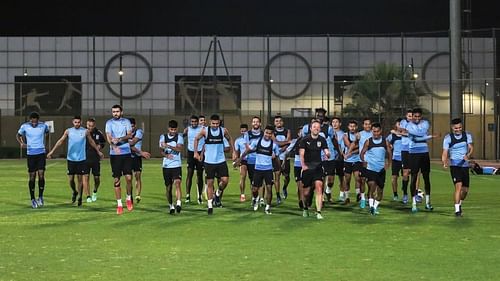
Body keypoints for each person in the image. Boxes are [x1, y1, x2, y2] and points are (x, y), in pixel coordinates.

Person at [47, 116, 103, 205]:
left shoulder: (85, 131)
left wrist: (98, 152)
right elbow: (60, 141)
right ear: (73, 122)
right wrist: (52, 151)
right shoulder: (68, 131)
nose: (77, 124)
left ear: (81, 122)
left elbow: (92, 142)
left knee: (80, 179)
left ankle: (80, 197)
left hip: (81, 159)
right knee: (71, 180)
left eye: (78, 122)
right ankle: (74, 191)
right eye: (75, 122)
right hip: (71, 159)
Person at [193, 114, 232, 215]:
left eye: (217, 123)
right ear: (210, 123)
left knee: (225, 180)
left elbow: (229, 138)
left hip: (221, 161)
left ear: (219, 123)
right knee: (210, 183)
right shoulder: (205, 131)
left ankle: (218, 193)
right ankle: (210, 205)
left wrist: (234, 151)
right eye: (213, 123)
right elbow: (196, 139)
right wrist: (195, 152)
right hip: (209, 162)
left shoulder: (223, 131)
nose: (215, 125)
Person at [240, 125, 280, 214]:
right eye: (266, 133)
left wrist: (279, 167)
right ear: (264, 132)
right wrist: (240, 159)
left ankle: (268, 207)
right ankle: (256, 198)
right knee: (254, 189)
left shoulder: (274, 145)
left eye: (270, 133)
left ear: (272, 134)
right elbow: (247, 151)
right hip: (258, 169)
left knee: (269, 188)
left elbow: (277, 157)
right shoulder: (256, 142)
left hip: (268, 170)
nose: (268, 135)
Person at [16, 111, 49, 208]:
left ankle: (41, 197)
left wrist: (45, 145)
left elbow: (47, 134)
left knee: (41, 174)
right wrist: (21, 143)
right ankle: (32, 199)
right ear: (30, 120)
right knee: (32, 176)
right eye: (32, 122)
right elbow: (18, 135)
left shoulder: (43, 126)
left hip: (41, 153)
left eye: (35, 122)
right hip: (31, 154)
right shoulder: (25, 126)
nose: (34, 123)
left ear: (38, 120)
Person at [405, 108, 436, 213]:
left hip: (424, 152)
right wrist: (429, 136)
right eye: (415, 116)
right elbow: (417, 137)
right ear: (412, 116)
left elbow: (421, 134)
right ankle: (413, 203)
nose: (417, 118)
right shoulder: (408, 125)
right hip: (413, 153)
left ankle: (428, 202)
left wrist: (421, 135)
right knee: (413, 177)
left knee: (426, 178)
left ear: (421, 116)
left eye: (419, 116)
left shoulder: (426, 123)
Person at [105, 104, 134, 215]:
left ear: (121, 112)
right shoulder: (109, 123)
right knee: (116, 180)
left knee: (128, 178)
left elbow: (129, 135)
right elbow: (108, 136)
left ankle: (128, 198)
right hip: (114, 154)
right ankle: (119, 204)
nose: (115, 113)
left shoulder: (126, 122)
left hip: (126, 152)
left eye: (117, 111)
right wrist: (113, 146)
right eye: (113, 112)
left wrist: (120, 139)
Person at [299, 119, 330, 220]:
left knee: (319, 187)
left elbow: (326, 150)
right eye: (314, 127)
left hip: (318, 167)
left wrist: (327, 154)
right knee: (306, 193)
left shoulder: (322, 139)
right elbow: (302, 154)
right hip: (307, 168)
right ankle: (305, 208)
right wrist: (303, 165)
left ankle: (318, 212)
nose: (316, 128)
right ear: (310, 129)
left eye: (318, 127)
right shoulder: (304, 140)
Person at [442, 118, 473, 216]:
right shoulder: (448, 138)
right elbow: (445, 152)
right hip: (455, 165)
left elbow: (471, 148)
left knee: (465, 191)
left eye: (459, 127)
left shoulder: (467, 135)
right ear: (452, 128)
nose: (458, 129)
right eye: (456, 128)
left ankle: (459, 203)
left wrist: (468, 155)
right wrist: (444, 161)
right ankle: (457, 210)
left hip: (464, 165)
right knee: (458, 187)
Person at [360, 122, 391, 215]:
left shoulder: (385, 141)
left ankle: (375, 207)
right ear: (372, 131)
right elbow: (362, 154)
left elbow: (389, 153)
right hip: (371, 169)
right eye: (374, 132)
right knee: (372, 186)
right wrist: (364, 162)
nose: (376, 133)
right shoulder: (368, 141)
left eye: (377, 131)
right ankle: (371, 207)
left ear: (380, 131)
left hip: (381, 170)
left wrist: (389, 164)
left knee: (380, 192)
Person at [160, 120, 184, 214]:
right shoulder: (163, 137)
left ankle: (178, 203)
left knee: (177, 183)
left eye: (174, 129)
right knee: (168, 188)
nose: (173, 131)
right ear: (168, 128)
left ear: (177, 129)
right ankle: (171, 206)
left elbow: (179, 149)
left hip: (176, 165)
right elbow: (161, 150)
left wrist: (168, 146)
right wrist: (166, 155)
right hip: (166, 166)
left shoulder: (179, 137)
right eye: (171, 129)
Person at [347, 118, 372, 209]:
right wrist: (349, 153)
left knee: (371, 182)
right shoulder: (359, 134)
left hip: (373, 162)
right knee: (362, 180)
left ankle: (370, 198)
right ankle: (362, 199)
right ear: (363, 125)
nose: (367, 126)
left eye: (369, 124)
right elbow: (354, 144)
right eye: (365, 124)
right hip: (362, 161)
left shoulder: (375, 134)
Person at [128, 118, 151, 203]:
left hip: (137, 157)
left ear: (135, 125)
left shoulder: (139, 132)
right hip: (128, 157)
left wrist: (125, 141)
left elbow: (132, 143)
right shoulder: (124, 133)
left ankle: (137, 195)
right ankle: (129, 196)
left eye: (132, 126)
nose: (131, 128)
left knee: (137, 176)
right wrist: (142, 152)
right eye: (129, 126)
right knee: (129, 178)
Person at [183, 115, 205, 204]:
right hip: (191, 153)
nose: (194, 123)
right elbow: (181, 137)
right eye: (192, 122)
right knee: (189, 174)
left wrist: (202, 154)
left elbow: (205, 142)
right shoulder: (187, 129)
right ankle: (187, 195)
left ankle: (199, 196)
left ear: (198, 122)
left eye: (195, 122)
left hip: (199, 153)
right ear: (190, 122)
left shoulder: (203, 129)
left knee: (199, 175)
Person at [85, 118, 106, 202]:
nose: (90, 127)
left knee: (96, 178)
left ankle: (95, 191)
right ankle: (88, 196)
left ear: (94, 125)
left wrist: (99, 147)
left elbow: (103, 142)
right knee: (86, 177)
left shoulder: (99, 133)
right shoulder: (82, 132)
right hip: (84, 158)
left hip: (95, 158)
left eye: (92, 126)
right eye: (88, 126)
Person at [342, 120, 362, 205]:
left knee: (358, 178)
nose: (352, 128)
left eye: (354, 126)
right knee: (347, 180)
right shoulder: (345, 135)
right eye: (351, 126)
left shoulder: (360, 135)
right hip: (348, 161)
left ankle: (358, 195)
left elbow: (361, 148)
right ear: (348, 127)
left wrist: (351, 152)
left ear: (356, 127)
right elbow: (349, 146)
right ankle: (347, 197)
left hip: (357, 160)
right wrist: (357, 142)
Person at [272, 115, 291, 202]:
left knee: (287, 177)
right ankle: (278, 195)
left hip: (285, 157)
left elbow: (289, 144)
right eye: (276, 121)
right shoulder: (272, 132)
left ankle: (284, 187)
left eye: (280, 121)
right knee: (277, 177)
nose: (278, 122)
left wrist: (280, 149)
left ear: (283, 122)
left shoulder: (288, 131)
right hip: (276, 158)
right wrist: (285, 143)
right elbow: (276, 143)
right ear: (274, 122)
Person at [246, 116, 264, 205]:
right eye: (254, 122)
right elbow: (247, 147)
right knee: (252, 181)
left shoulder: (264, 134)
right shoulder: (247, 134)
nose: (255, 123)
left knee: (261, 181)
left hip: (261, 160)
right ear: (251, 123)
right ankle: (254, 197)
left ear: (260, 123)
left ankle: (261, 198)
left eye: (257, 122)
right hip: (251, 160)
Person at [387, 118, 403, 201]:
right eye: (399, 124)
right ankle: (395, 194)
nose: (400, 126)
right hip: (395, 159)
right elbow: (386, 143)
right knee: (394, 177)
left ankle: (405, 194)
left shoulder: (406, 135)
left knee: (406, 177)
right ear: (396, 125)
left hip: (405, 159)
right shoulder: (392, 136)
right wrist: (389, 145)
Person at [233, 123, 249, 202]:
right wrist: (236, 159)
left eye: (245, 131)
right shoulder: (238, 140)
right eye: (242, 131)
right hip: (243, 160)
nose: (243, 133)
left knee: (253, 178)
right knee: (243, 177)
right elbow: (236, 151)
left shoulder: (250, 139)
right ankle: (242, 194)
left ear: (247, 131)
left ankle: (256, 196)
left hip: (253, 160)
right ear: (240, 131)